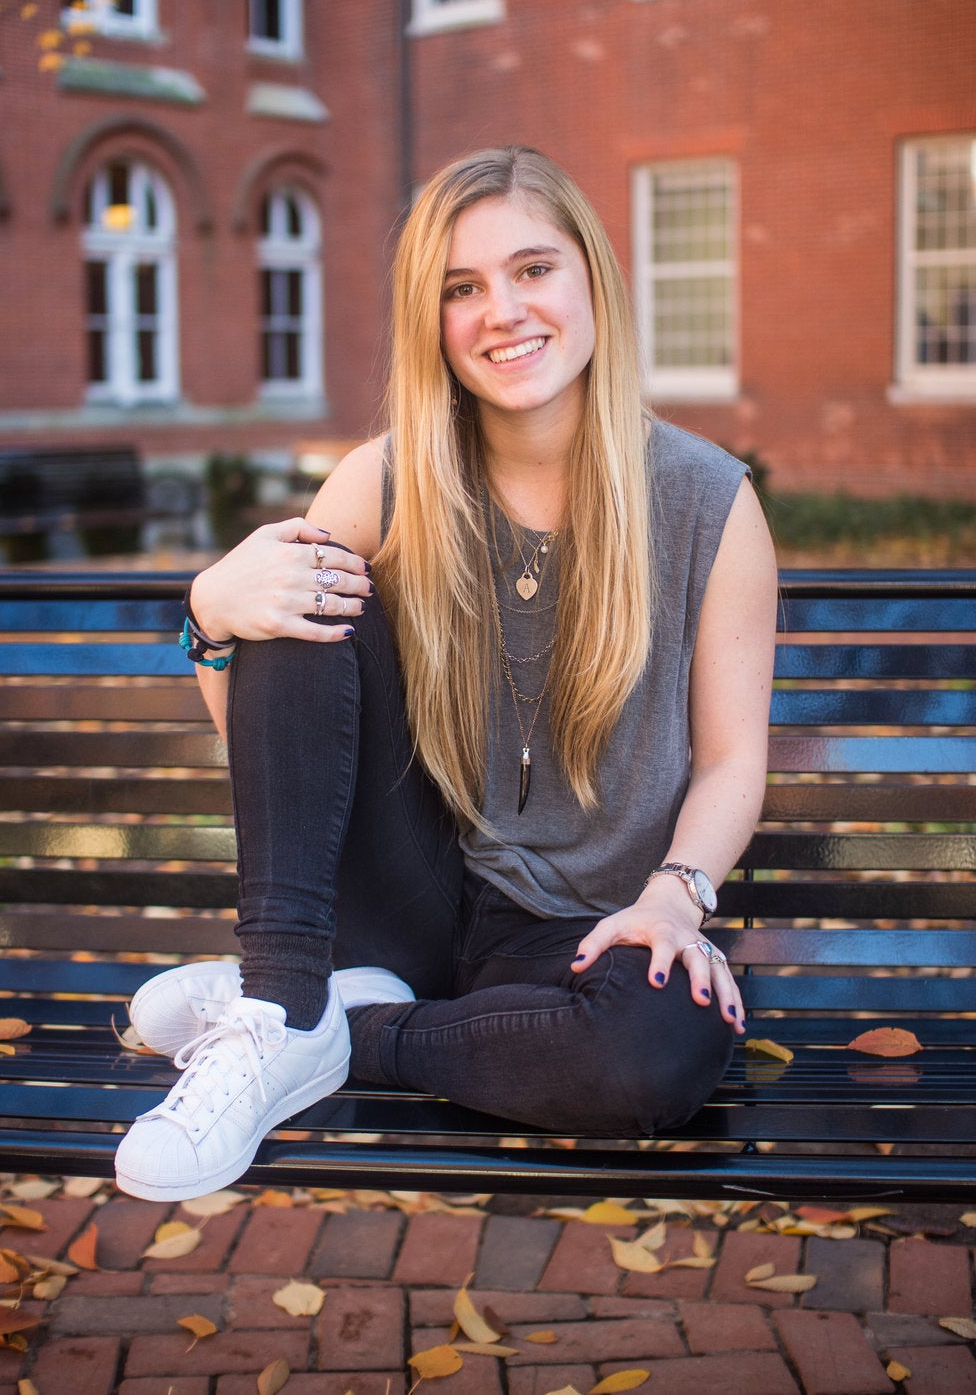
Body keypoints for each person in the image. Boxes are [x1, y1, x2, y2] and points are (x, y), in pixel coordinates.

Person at [114, 145, 778, 1202]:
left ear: (590, 280)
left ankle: (329, 1030)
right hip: (403, 896)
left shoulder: (706, 502)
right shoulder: (384, 482)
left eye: (531, 269)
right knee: (301, 583)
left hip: (582, 933)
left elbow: (735, 758)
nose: (502, 312)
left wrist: (672, 902)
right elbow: (285, 737)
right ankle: (289, 999)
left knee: (653, 1054)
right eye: (460, 289)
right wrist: (212, 618)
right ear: (433, 323)